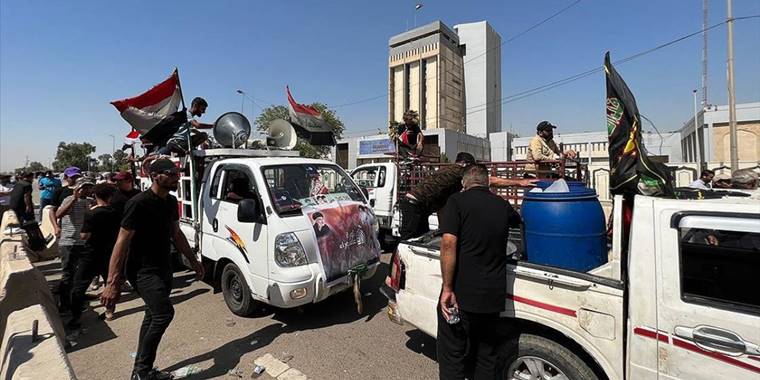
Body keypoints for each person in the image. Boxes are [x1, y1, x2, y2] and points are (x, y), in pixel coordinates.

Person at [100, 158, 204, 380]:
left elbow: (176, 234)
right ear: (155, 176)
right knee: (164, 314)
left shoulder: (170, 201)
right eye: (172, 173)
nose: (177, 177)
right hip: (142, 270)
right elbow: (121, 242)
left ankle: (141, 370)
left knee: (152, 314)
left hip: (164, 266)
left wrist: (194, 261)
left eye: (178, 173)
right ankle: (142, 371)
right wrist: (112, 283)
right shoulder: (138, 203)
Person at [437, 164, 522, 379]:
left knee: (453, 353)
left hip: (460, 294)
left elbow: (448, 244)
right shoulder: (501, 205)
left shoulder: (456, 201)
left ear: (464, 183)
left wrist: (447, 288)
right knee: (486, 355)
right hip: (491, 296)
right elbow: (517, 220)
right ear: (487, 183)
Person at [398, 152, 534, 240]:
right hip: (414, 206)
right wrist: (519, 182)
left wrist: (444, 231)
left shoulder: (449, 178)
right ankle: (391, 276)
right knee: (406, 241)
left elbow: (441, 206)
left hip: (419, 206)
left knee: (420, 239)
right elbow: (488, 180)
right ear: (467, 165)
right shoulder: (458, 171)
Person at [68, 184, 120, 328]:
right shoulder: (116, 212)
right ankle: (109, 312)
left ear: (96, 196)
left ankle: (76, 317)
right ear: (110, 196)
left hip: (91, 254)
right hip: (110, 253)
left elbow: (84, 235)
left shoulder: (91, 214)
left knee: (79, 286)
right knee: (109, 284)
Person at [55, 177, 95, 313]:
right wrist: (73, 199)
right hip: (69, 242)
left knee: (80, 273)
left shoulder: (89, 202)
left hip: (83, 242)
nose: (87, 190)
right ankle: (64, 303)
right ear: (77, 188)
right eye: (84, 187)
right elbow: (58, 214)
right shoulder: (69, 200)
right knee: (68, 274)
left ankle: (77, 298)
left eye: (89, 187)